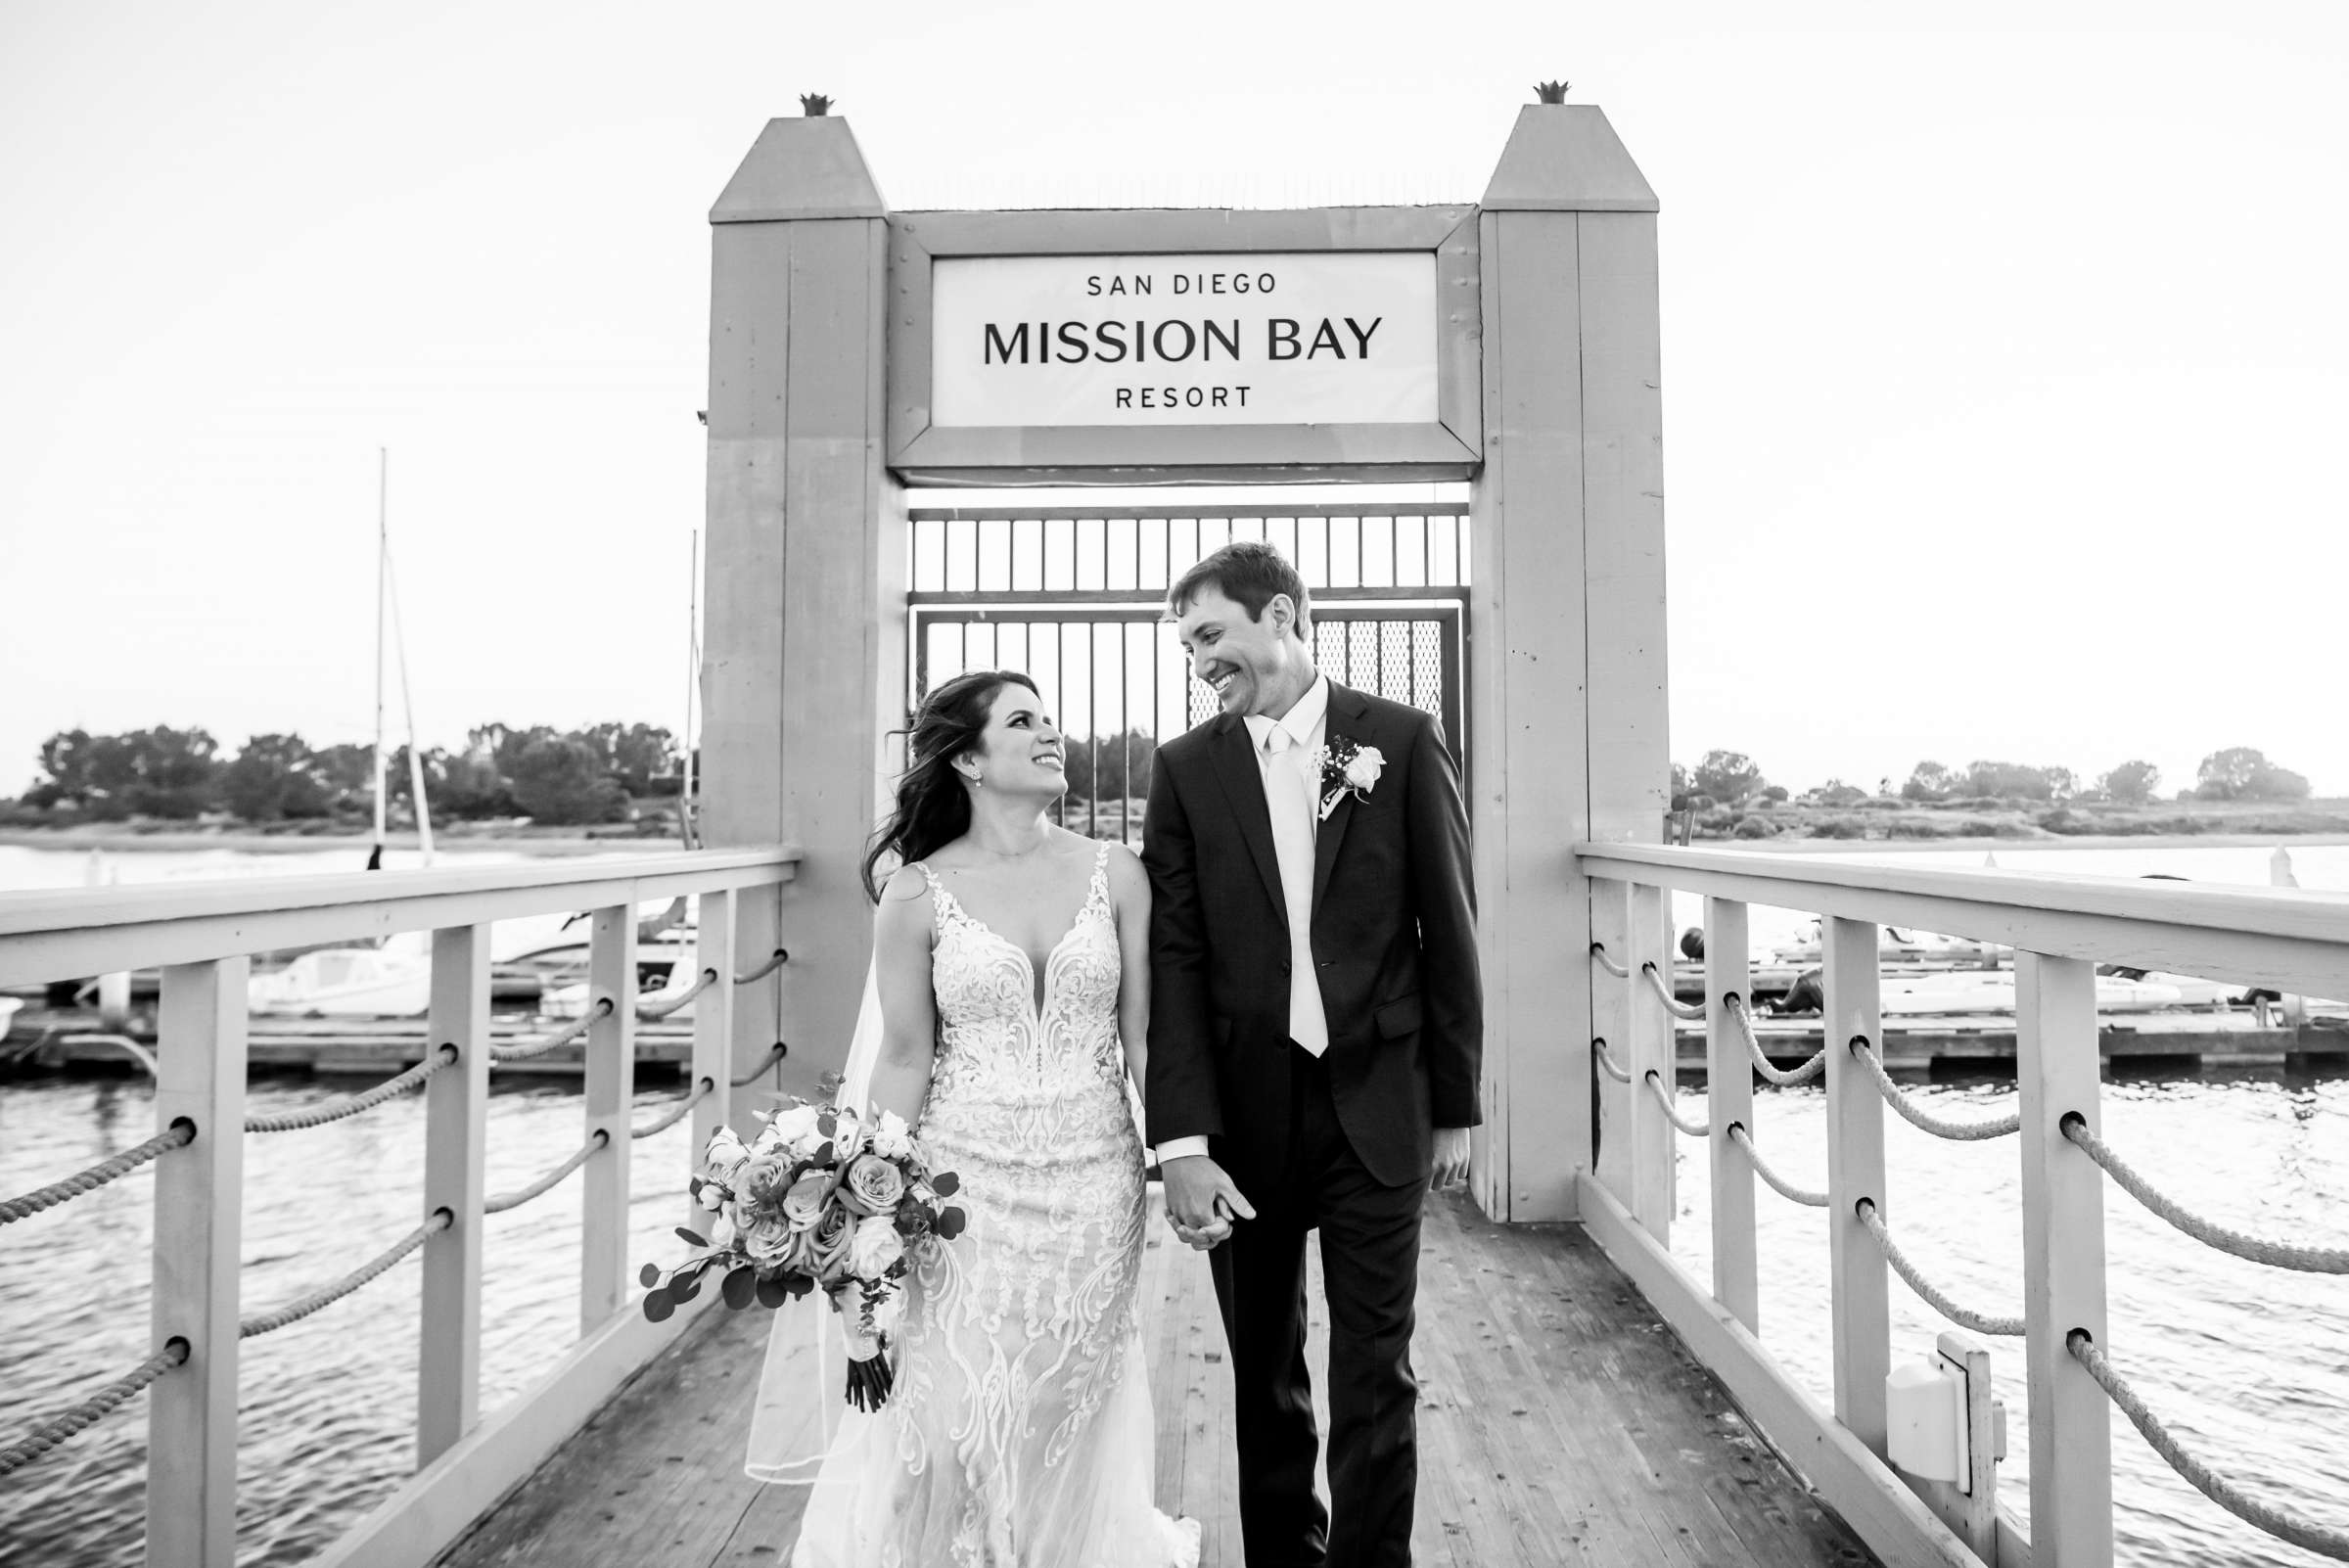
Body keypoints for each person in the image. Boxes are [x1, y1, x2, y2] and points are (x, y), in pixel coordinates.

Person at [770, 669, 1198, 1568]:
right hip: (960, 1183)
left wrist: (1181, 1157)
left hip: (1094, 1181)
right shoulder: (917, 893)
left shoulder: (1117, 871)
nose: (1052, 734)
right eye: (1023, 721)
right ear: (967, 757)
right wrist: (867, 1203)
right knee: (956, 1407)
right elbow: (902, 1055)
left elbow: (1145, 1041)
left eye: (1049, 719)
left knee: (1064, 1395)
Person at [1142, 541, 1484, 1568]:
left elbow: (1450, 933)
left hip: (1378, 1103)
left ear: (1281, 613)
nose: (1200, 662)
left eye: (1211, 635)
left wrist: (1457, 1106)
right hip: (1243, 1119)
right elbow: (1176, 964)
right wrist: (1182, 1143)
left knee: (1378, 1368)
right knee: (1264, 1372)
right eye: (1189, 646)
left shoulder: (1403, 742)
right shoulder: (1185, 770)